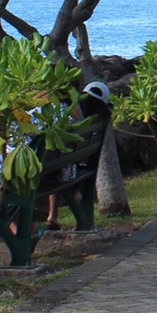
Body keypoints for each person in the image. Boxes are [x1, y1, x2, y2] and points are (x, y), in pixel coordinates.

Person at [45, 80, 112, 230]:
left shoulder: (70, 110)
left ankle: (53, 215)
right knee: (57, 162)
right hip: (62, 167)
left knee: (54, 162)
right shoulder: (89, 120)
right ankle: (53, 216)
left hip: (54, 170)